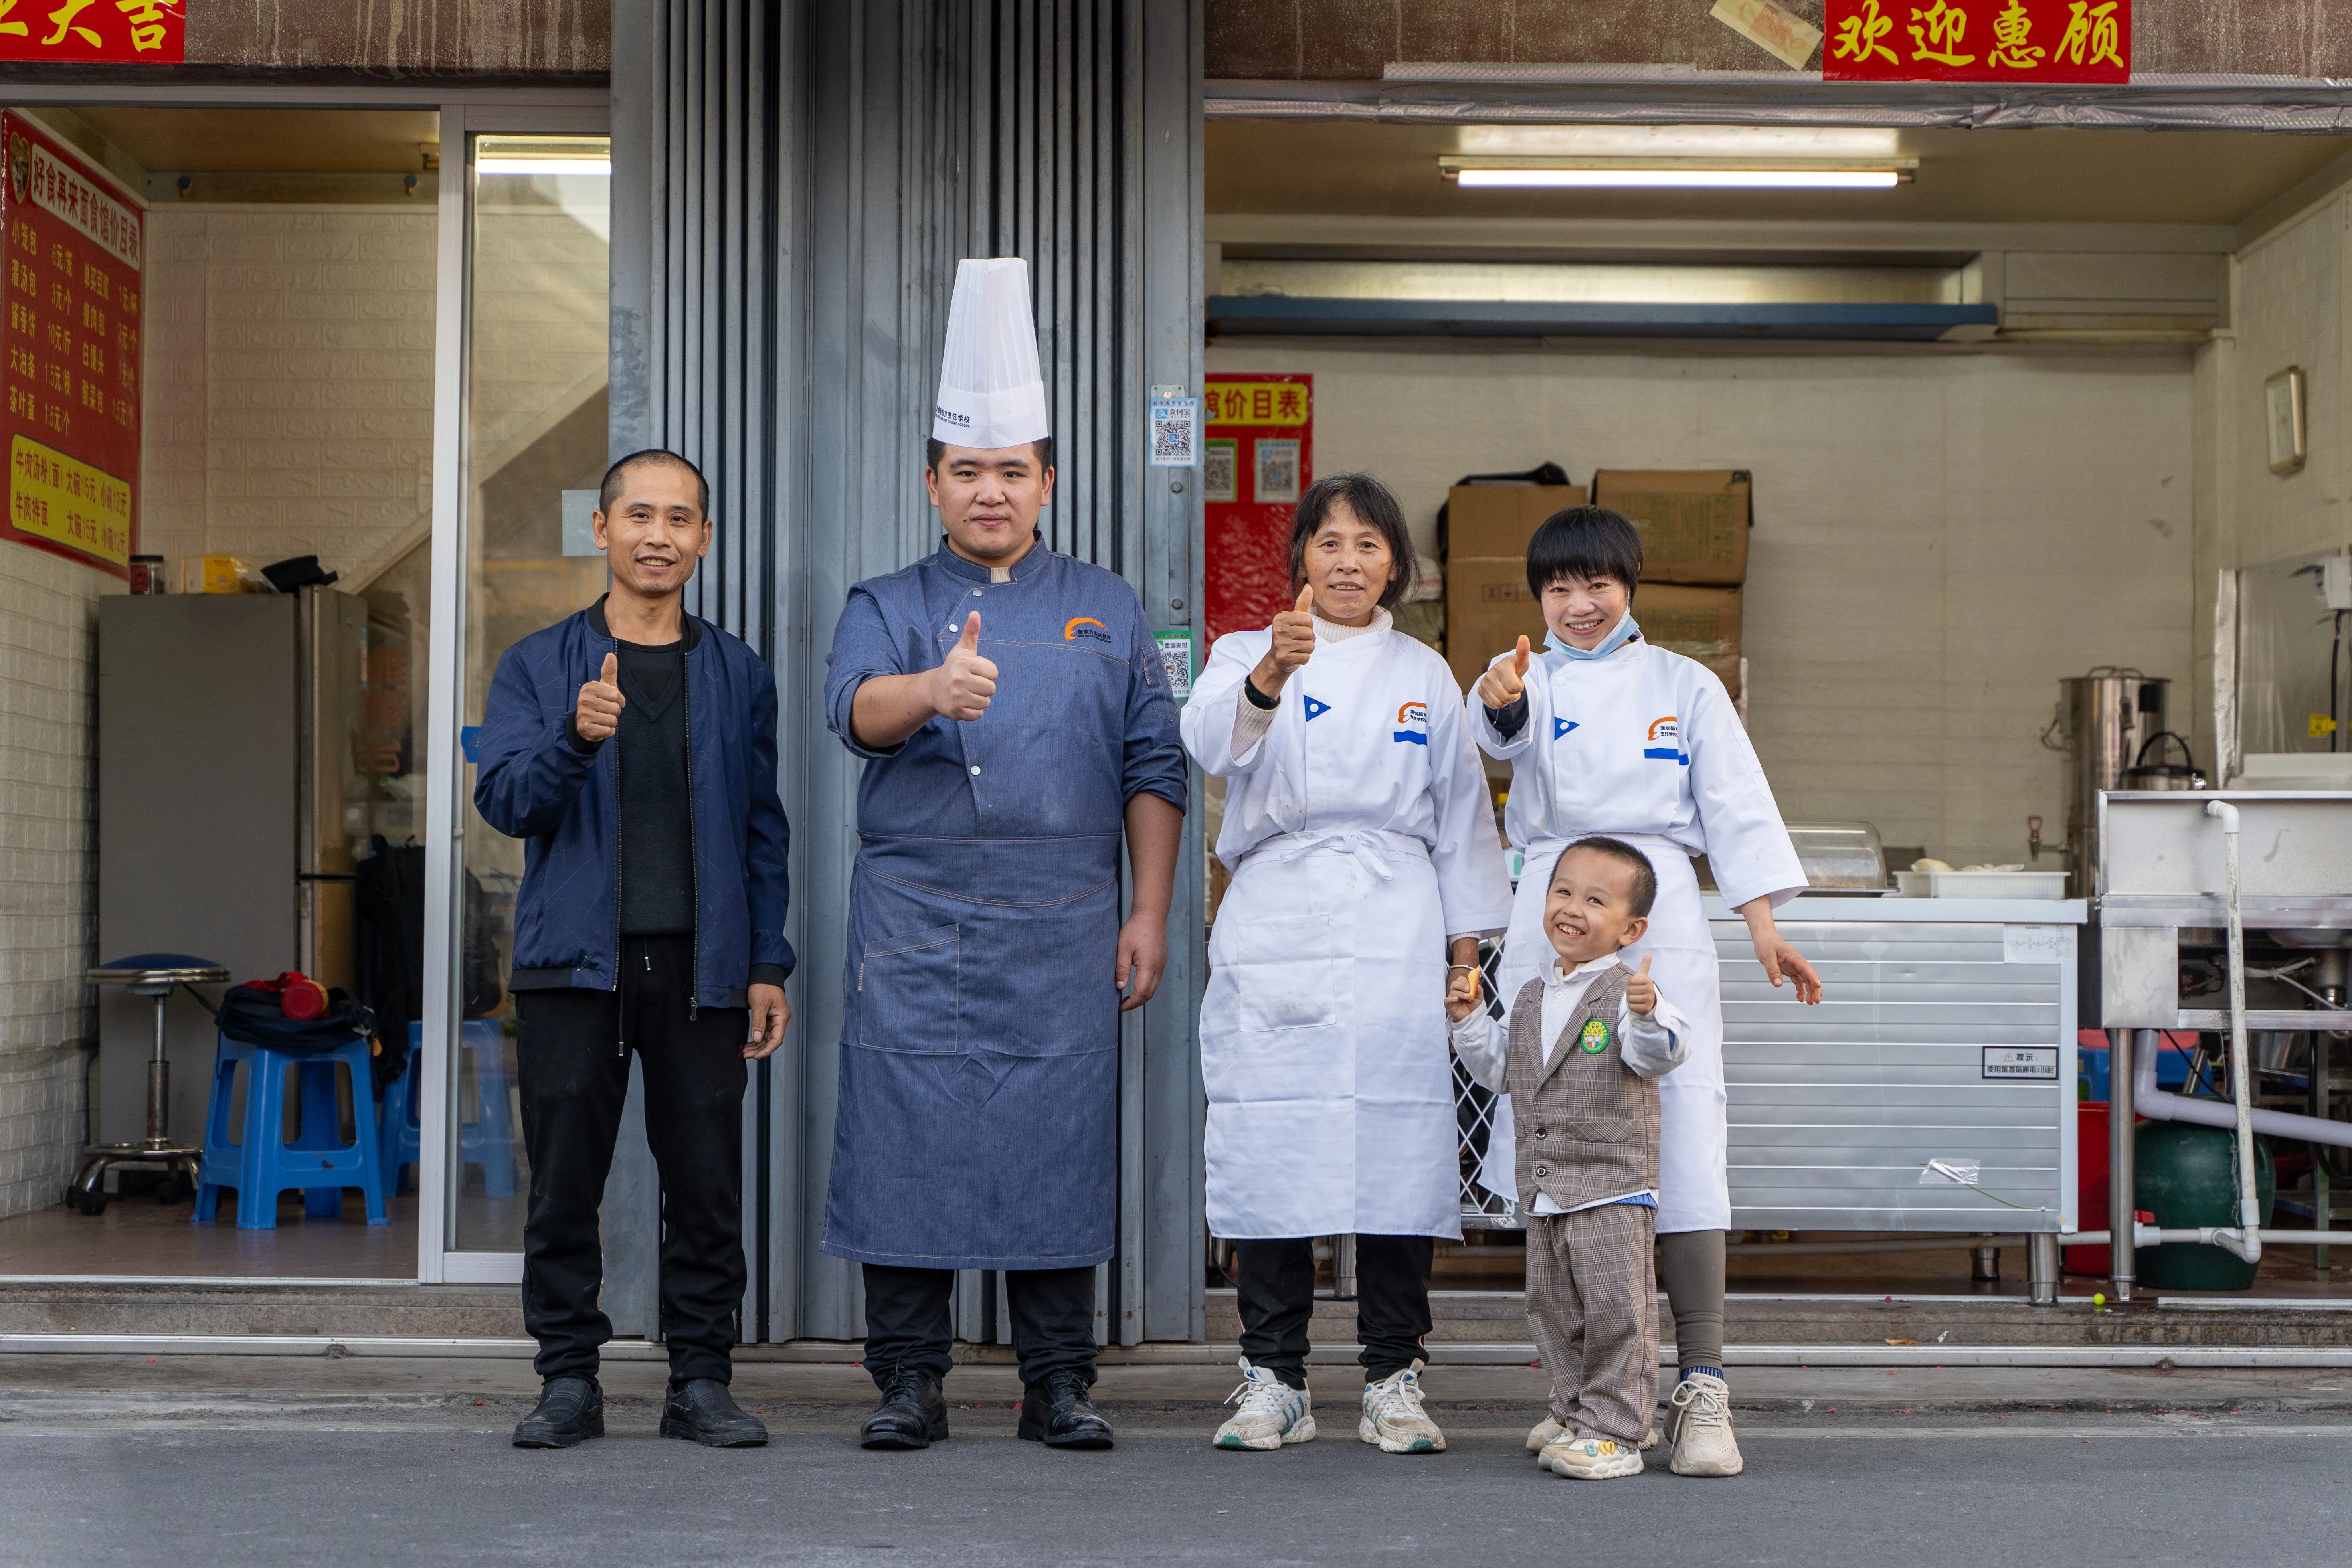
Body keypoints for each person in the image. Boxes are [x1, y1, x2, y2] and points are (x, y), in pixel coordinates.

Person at [821, 257, 1187, 1453]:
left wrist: (1147, 912)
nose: (990, 491)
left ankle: (1058, 1383)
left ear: (1045, 482)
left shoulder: (1107, 604)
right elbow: (852, 714)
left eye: (1011, 472)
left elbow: (1153, 764)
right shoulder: (883, 601)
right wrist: (931, 688)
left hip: (1067, 913)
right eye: (968, 471)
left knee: (1056, 1138)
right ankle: (907, 1383)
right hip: (918, 915)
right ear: (933, 482)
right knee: (907, 1136)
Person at [1468, 504, 1822, 1479]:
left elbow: (1736, 810)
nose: (1579, 605)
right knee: (1559, 1137)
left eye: (1597, 585)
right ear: (1537, 597)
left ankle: (1701, 1389)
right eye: (1559, 588)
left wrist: (1762, 928)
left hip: (1660, 917)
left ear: (1631, 585)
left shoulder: (1686, 684)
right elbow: (1494, 739)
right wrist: (1500, 702)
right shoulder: (1520, 677)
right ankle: (1582, 1391)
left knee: (1682, 1135)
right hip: (1552, 914)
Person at [1180, 473, 1512, 1456]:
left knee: (1400, 1148)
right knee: (1273, 1145)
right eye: (1328, 543)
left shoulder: (1424, 671)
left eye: (1369, 544)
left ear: (1396, 569)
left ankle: (1393, 1377)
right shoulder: (1246, 650)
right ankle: (1271, 1377)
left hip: (1397, 921)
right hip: (1280, 908)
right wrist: (1268, 682)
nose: (1347, 561)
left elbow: (1461, 819)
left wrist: (1466, 957)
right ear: (1299, 563)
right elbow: (1206, 744)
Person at [473, 449, 793, 1451]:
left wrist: (766, 962)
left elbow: (761, 830)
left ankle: (701, 1380)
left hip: (703, 968)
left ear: (704, 538)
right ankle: (568, 1379)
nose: (660, 535)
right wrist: (574, 737)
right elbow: (504, 803)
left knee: (705, 1186)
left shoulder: (737, 671)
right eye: (640, 515)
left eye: (681, 518)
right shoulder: (537, 663)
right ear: (603, 529)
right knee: (566, 1184)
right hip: (575, 967)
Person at [1448, 837, 1688, 1480]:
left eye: (1594, 899)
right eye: (1562, 891)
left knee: (1616, 1310)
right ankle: (1573, 1407)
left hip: (1611, 1185)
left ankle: (1617, 1430)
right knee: (1551, 1306)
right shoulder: (1529, 994)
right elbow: (1503, 1071)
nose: (1571, 907)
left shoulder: (1629, 992)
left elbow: (1657, 1054)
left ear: (1630, 928)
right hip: (1547, 1186)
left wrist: (1647, 1011)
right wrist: (1471, 1023)